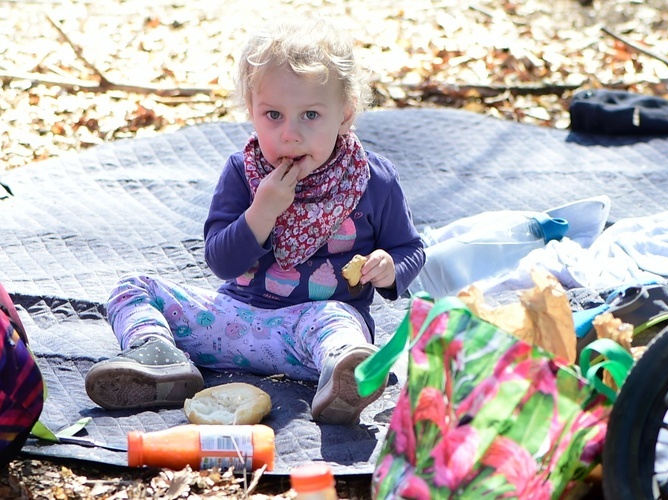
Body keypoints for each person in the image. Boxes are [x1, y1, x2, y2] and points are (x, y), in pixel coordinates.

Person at [84, 17, 425, 425]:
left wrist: (389, 268)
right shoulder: (242, 172)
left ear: (346, 114)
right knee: (132, 288)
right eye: (273, 115)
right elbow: (222, 262)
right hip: (232, 323)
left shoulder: (371, 179)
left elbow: (410, 249)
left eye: (311, 115)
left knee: (339, 324)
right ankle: (162, 361)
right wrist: (262, 211)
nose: (290, 134)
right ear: (252, 111)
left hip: (312, 332)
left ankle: (343, 378)